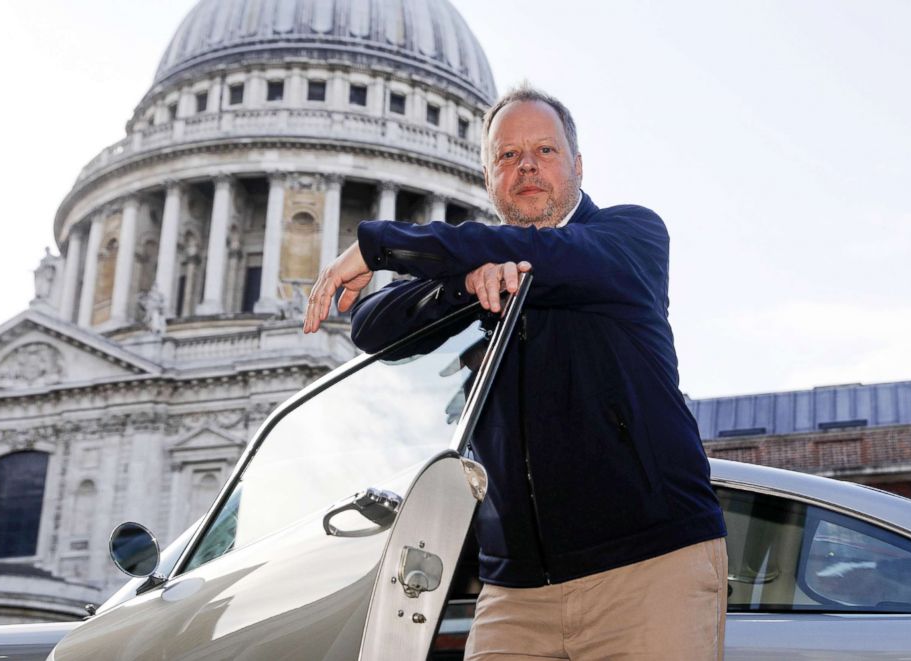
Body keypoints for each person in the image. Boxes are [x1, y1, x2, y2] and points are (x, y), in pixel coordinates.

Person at [303, 84, 727, 660]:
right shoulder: (479, 266)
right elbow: (372, 326)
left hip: (647, 567)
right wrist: (465, 283)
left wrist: (382, 245)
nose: (527, 166)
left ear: (577, 166)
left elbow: (553, 261)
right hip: (514, 591)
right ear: (487, 178)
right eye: (507, 156)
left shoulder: (630, 236)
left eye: (545, 152)